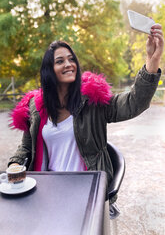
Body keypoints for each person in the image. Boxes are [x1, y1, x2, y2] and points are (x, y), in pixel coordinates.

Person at [8, 24, 164, 202]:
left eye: (71, 59)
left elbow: (134, 103)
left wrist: (152, 61)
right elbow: (26, 147)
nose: (68, 64)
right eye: (60, 61)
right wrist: (14, 163)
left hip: (87, 191)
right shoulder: (35, 108)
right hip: (48, 190)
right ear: (48, 71)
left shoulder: (93, 101)